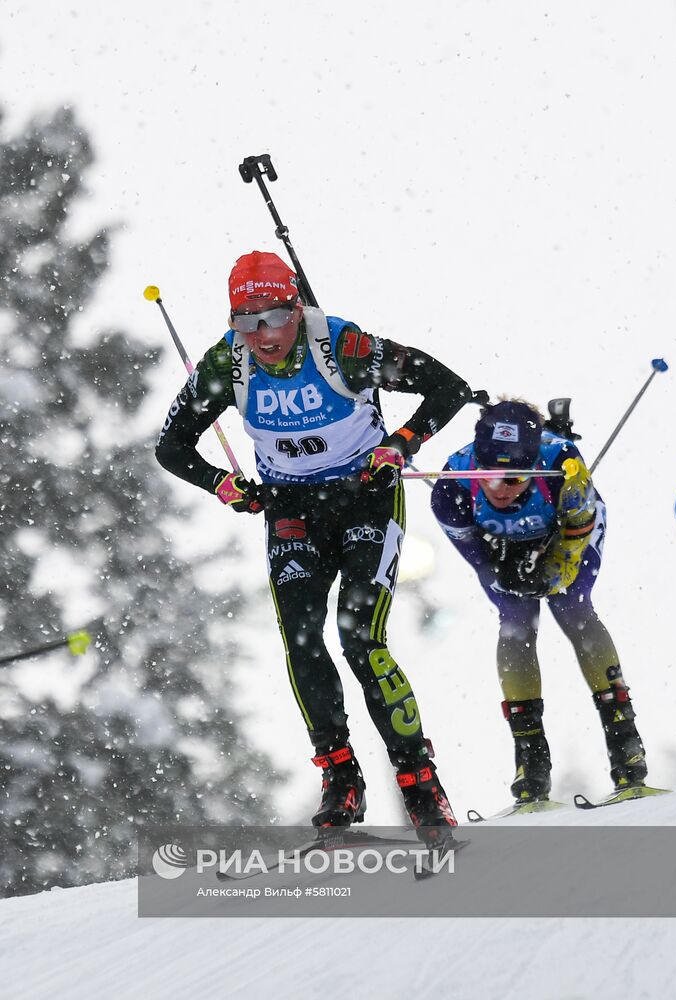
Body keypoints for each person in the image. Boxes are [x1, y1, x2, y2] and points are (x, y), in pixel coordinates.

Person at [156, 250, 483, 844]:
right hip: (291, 510)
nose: (263, 335)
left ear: (297, 308)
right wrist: (222, 483)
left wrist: (399, 445)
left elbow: (448, 388)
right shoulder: (227, 363)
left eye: (274, 317)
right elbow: (171, 446)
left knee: (360, 636)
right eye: (246, 320)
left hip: (364, 498)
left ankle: (420, 784)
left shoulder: (342, 348)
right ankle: (341, 777)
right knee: (302, 638)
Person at [430, 398, 648, 803]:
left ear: (533, 466)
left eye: (514, 478)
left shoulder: (564, 469)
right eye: (488, 474)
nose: (499, 488)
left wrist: (551, 574)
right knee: (515, 618)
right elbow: (481, 565)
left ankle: (626, 749)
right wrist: (501, 569)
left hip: (565, 535)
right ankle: (531, 762)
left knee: (573, 607)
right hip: (500, 546)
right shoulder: (451, 490)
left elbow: (576, 538)